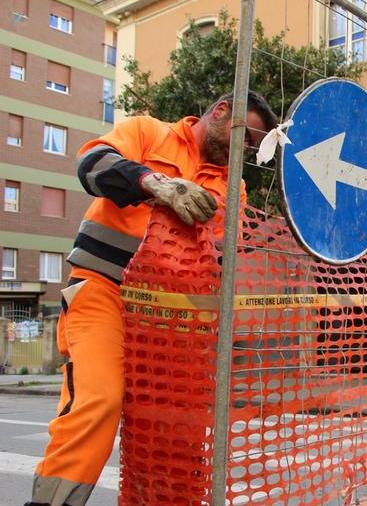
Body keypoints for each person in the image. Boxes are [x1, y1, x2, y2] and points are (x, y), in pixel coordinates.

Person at [28, 91, 277, 506]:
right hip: (103, 289)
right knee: (98, 402)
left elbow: (217, 260)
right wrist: (155, 183)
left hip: (167, 322)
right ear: (220, 113)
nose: (247, 151)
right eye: (245, 138)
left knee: (174, 429)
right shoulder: (148, 133)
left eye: (253, 146)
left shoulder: (234, 188)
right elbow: (91, 165)